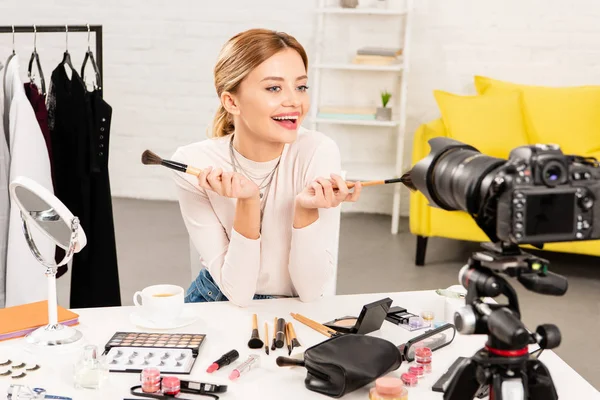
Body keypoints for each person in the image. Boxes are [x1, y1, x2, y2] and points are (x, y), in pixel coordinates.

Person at [172, 28, 362, 307]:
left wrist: (306, 210)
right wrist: (247, 202)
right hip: (216, 301)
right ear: (231, 101)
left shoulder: (317, 151)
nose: (294, 101)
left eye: (301, 86)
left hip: (294, 307)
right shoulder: (194, 165)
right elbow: (238, 293)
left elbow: (310, 291)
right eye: (274, 88)